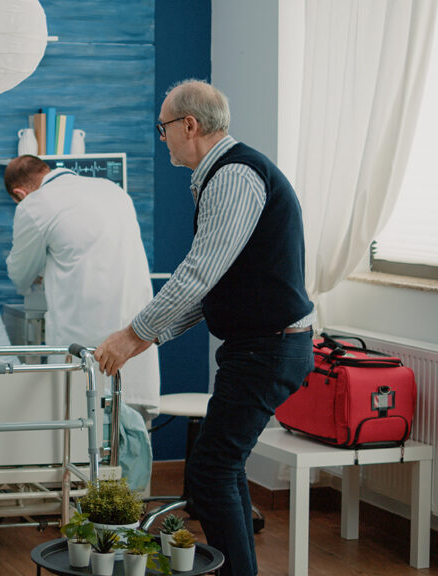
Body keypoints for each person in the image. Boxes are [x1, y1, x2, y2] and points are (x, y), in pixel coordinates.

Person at [92, 80, 315, 576]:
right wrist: (146, 336)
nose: (162, 137)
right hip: (260, 348)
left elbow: (198, 272)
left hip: (268, 349)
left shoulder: (234, 175)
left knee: (211, 472)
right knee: (222, 467)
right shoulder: (224, 175)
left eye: (164, 128)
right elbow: (213, 285)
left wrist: (134, 334)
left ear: (189, 125)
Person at [3, 155, 161, 415]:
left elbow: (20, 276)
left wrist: (43, 266)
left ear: (20, 193)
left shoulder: (34, 206)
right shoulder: (112, 190)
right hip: (136, 331)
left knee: (80, 432)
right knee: (130, 434)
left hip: (85, 333)